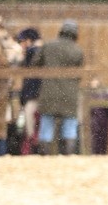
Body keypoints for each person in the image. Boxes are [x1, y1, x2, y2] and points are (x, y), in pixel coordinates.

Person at [34, 20, 85, 155]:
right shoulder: (77, 50)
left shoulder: (48, 46)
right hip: (69, 94)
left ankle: (44, 160)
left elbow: (35, 64)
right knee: (69, 129)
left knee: (46, 128)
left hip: (49, 92)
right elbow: (79, 75)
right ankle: (68, 160)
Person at [15, 28, 42, 155]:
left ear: (29, 41)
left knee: (31, 129)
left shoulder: (33, 52)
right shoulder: (33, 53)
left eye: (22, 41)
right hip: (34, 96)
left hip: (33, 97)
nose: (21, 45)